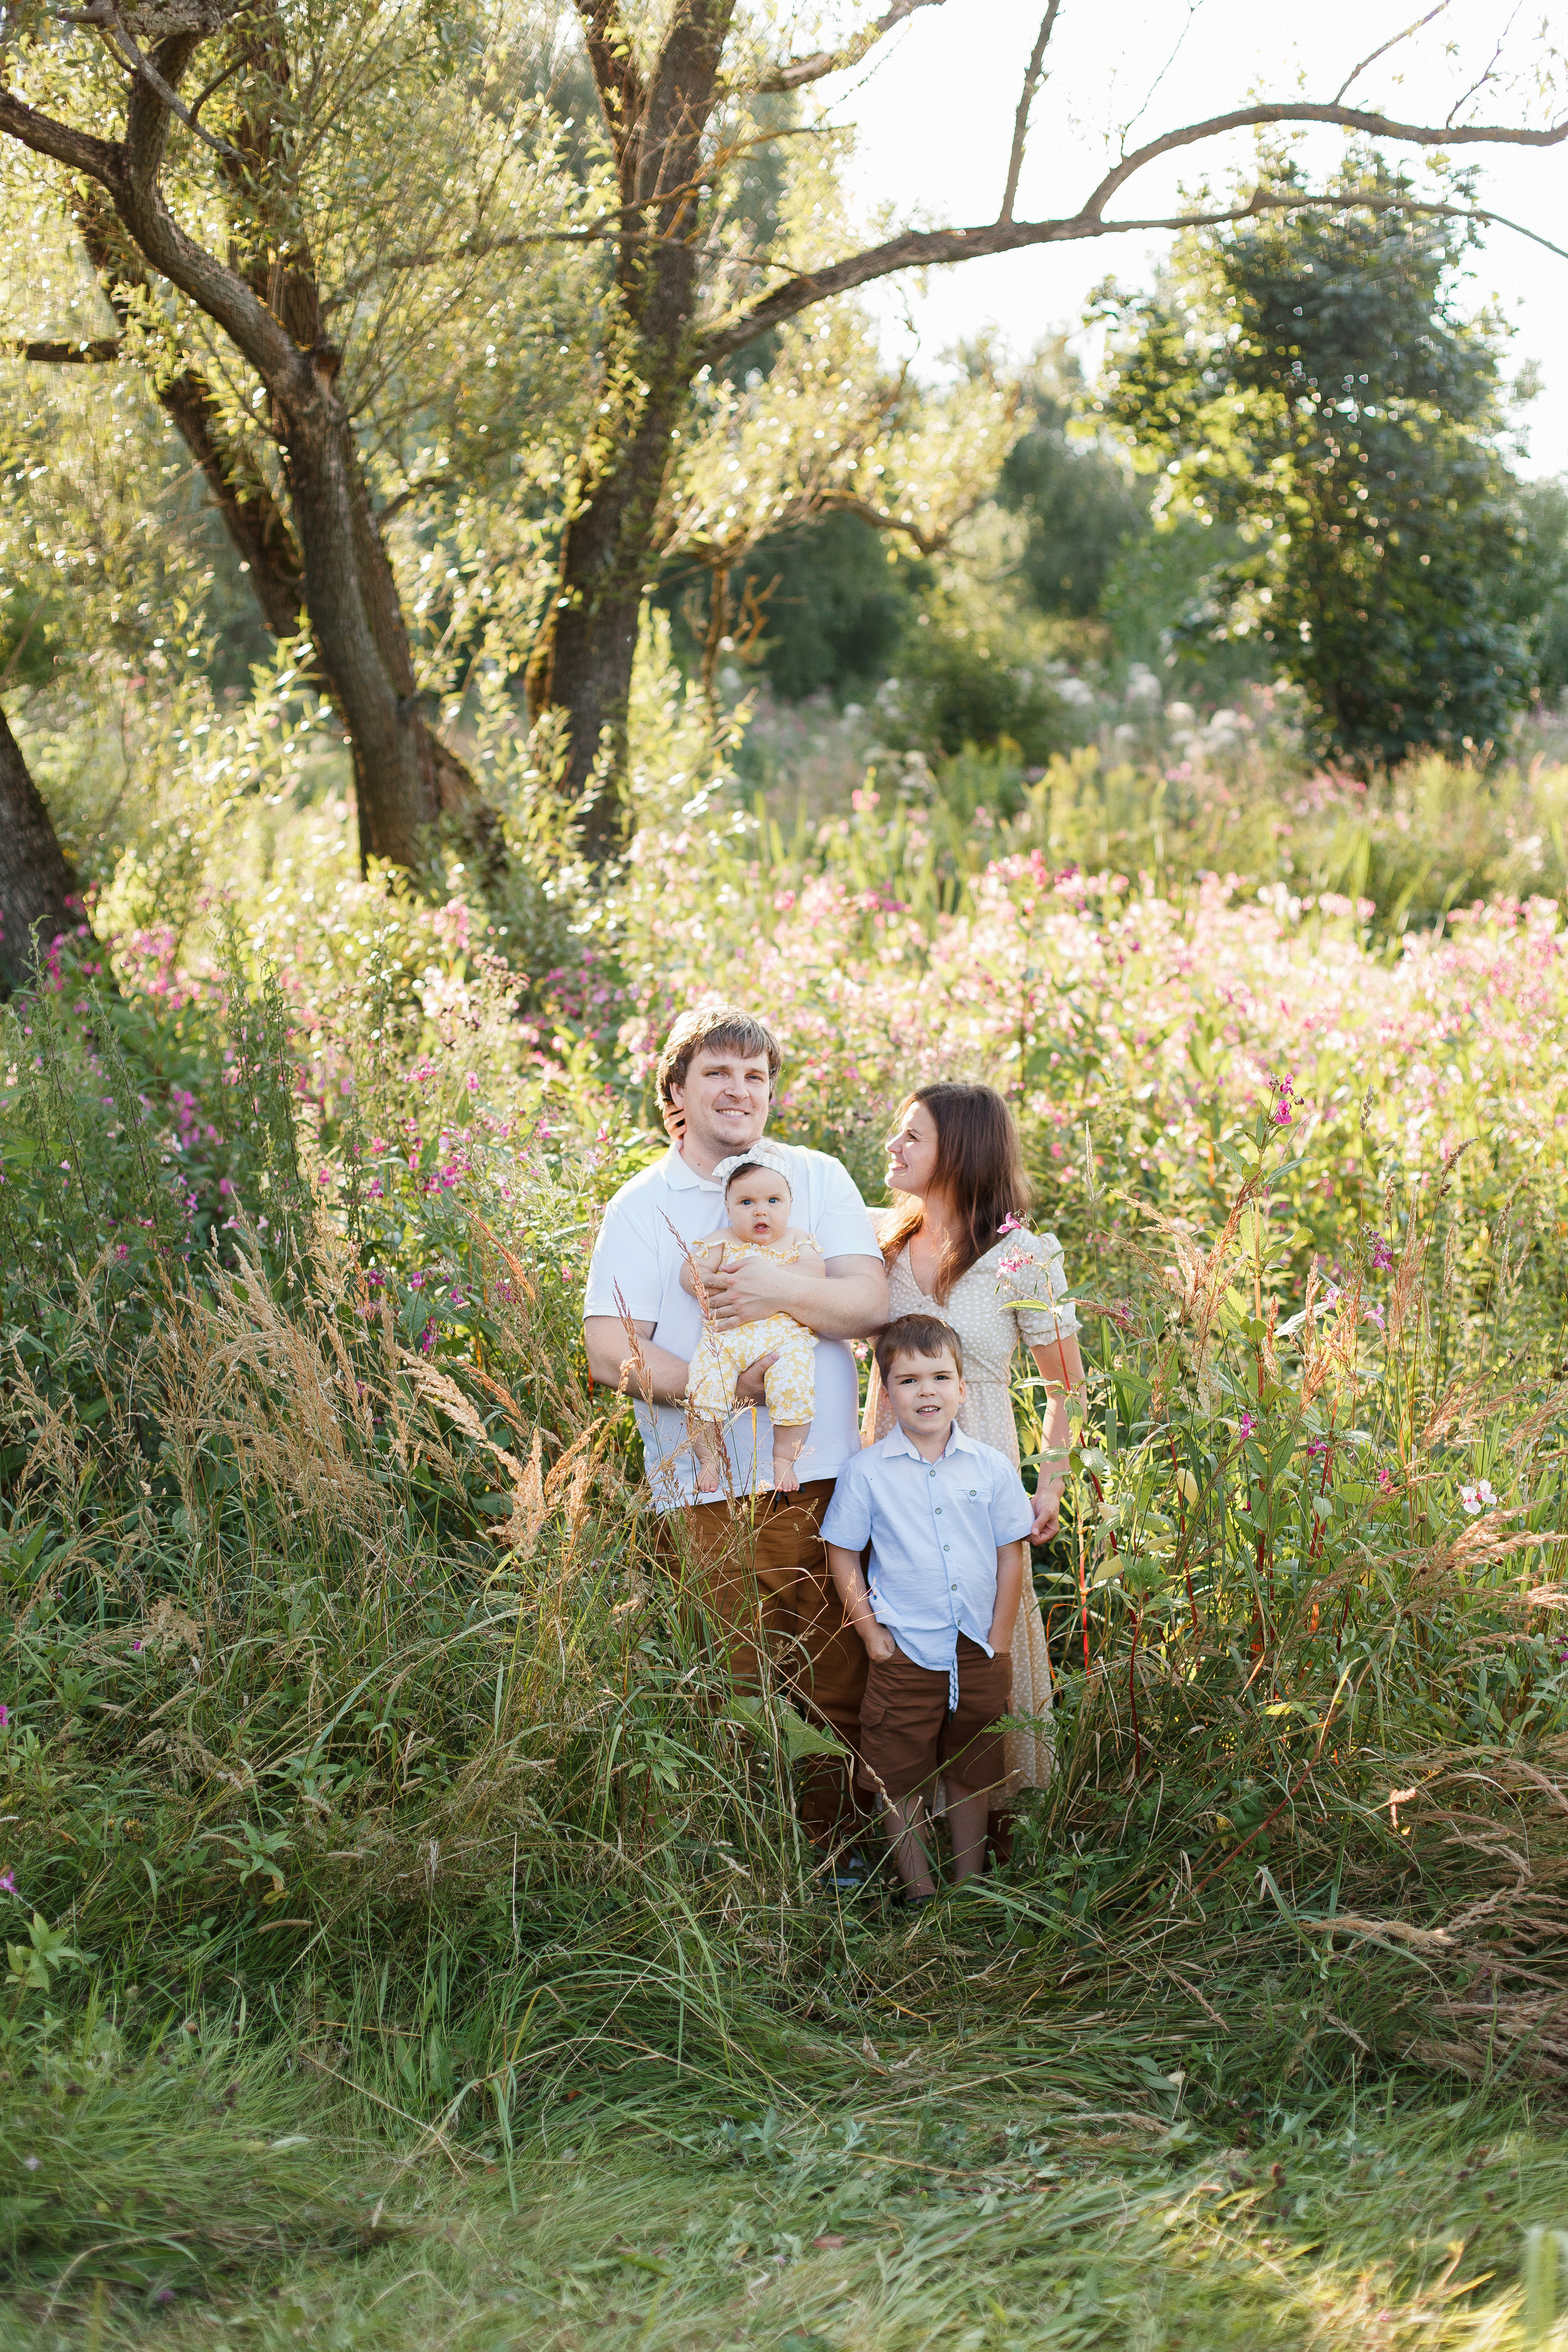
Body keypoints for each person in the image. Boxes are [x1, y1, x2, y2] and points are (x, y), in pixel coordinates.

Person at [582, 1003, 889, 1850]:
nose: (740, 1089)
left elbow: (868, 1303)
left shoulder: (816, 1177)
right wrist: (727, 1389)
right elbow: (612, 1352)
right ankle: (746, 1868)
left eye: (756, 1075)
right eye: (718, 1071)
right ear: (674, 1091)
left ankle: (841, 1862)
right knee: (733, 1686)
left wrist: (771, 1290)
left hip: (822, 1473)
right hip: (704, 1483)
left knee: (836, 1675)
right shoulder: (644, 1206)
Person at [867, 1082, 1085, 1802]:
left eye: (911, 1136)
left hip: (980, 1468)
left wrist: (1046, 1486)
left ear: (957, 1153)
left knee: (981, 1638)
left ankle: (996, 1821)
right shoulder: (879, 1246)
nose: (892, 1147)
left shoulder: (1020, 1257)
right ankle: (901, 1823)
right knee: (896, 1636)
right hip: (890, 1472)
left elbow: (1069, 1389)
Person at [823, 1313, 1033, 1902]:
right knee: (899, 1775)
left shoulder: (990, 1467)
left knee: (972, 1771)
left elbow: (1011, 1556)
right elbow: (844, 1556)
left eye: (941, 1377)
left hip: (978, 1648)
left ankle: (969, 1891)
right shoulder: (866, 1473)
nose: (927, 1392)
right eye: (909, 1380)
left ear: (962, 1388)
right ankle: (918, 1894)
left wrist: (1000, 1638)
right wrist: (870, 1635)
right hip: (904, 1651)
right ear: (887, 1393)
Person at [685, 1148, 823, 1496]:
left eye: (773, 1200)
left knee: (794, 1387)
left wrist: (772, 1279)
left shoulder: (796, 1239)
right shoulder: (722, 1240)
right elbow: (691, 1274)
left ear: (790, 1204)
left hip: (784, 1340)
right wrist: (716, 1284)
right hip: (727, 1337)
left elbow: (814, 1271)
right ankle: (709, 1459)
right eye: (746, 1202)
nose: (761, 1210)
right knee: (704, 1390)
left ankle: (784, 1460)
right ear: (728, 1208)